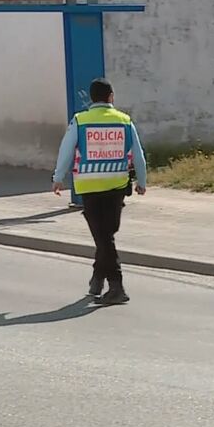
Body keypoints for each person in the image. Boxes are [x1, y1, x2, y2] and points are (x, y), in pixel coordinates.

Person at [52, 78, 148, 305]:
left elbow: (65, 150)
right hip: (116, 187)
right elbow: (138, 155)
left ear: (91, 99)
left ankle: (116, 287)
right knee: (106, 235)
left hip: (91, 187)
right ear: (111, 97)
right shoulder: (125, 121)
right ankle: (98, 279)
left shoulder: (80, 120)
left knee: (104, 237)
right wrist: (141, 181)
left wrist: (58, 178)